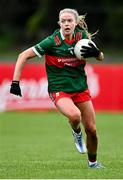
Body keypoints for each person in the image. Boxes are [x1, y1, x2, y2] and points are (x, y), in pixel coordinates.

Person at [10, 8, 104, 168]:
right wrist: (15, 82)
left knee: (92, 129)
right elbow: (23, 56)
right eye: (63, 21)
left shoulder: (82, 38)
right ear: (59, 23)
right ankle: (76, 132)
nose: (66, 24)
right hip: (59, 89)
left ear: (75, 23)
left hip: (80, 88)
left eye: (69, 21)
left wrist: (97, 53)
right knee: (75, 116)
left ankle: (93, 163)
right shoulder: (51, 41)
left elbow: (100, 57)